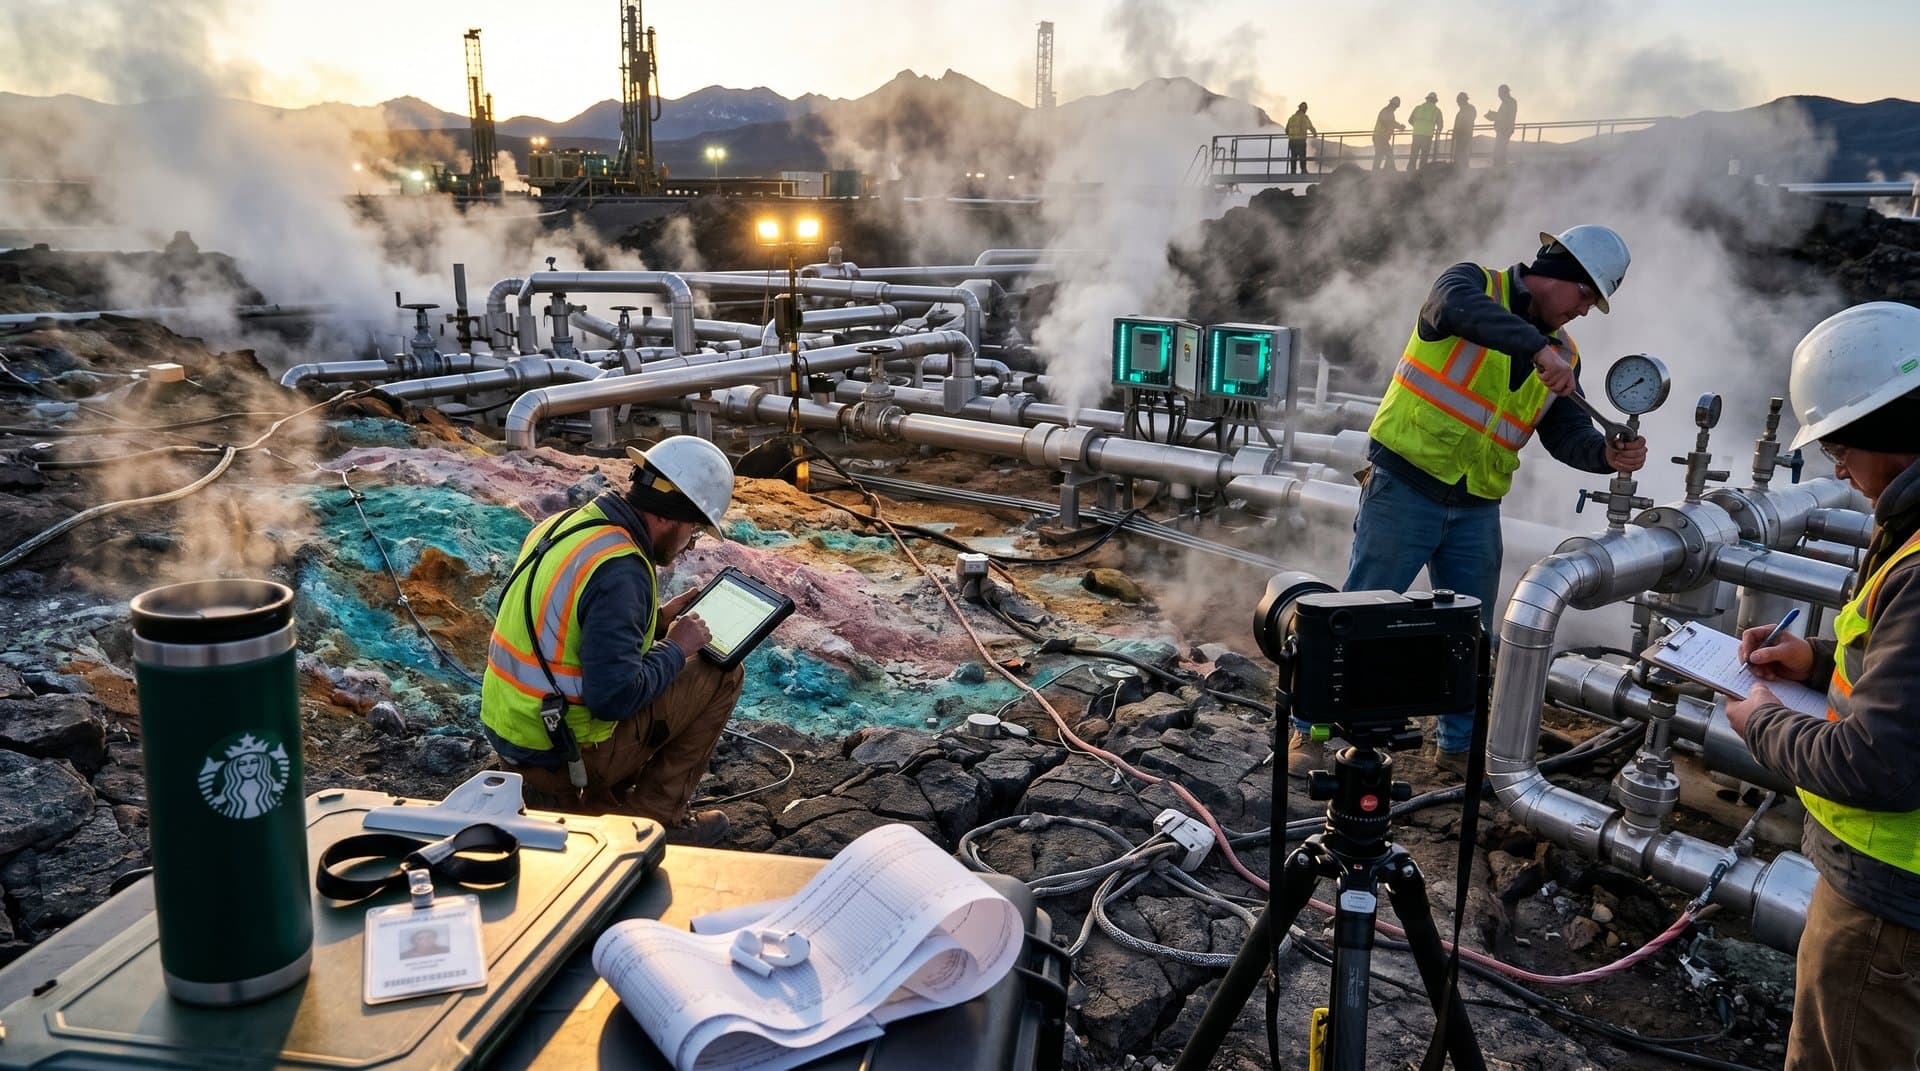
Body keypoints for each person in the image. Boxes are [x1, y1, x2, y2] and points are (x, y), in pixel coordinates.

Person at [1289, 226, 1643, 775]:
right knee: (1355, 615)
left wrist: (1604, 455)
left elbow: (1564, 431)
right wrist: (1532, 347)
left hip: (1478, 504)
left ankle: (1458, 747)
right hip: (1405, 486)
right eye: (1586, 295)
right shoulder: (1471, 285)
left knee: (1470, 635)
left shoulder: (1564, 356)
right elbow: (1455, 309)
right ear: (1560, 273)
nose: (1586, 310)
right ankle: (1309, 732)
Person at [1727, 301, 1920, 1071]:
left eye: (1840, 445)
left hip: (1887, 911)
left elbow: (1880, 762)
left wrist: (1762, 722)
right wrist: (1812, 657)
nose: (1838, 469)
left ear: (1891, 430)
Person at [480, 435, 746, 846]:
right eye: (693, 533)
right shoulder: (622, 570)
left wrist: (656, 624)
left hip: (520, 735)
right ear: (672, 517)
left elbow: (568, 632)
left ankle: (604, 796)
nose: (688, 547)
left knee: (685, 661)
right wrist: (676, 648)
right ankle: (659, 819)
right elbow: (614, 698)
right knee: (722, 672)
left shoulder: (567, 526)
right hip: (562, 755)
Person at [1408, 92, 1443, 171]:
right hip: (1427, 136)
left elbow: (1410, 120)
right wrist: (1438, 131)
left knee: (1413, 154)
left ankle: (1409, 173)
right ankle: (1421, 173)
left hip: (1416, 134)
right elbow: (1440, 125)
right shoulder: (1436, 110)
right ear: (1435, 101)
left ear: (1427, 99)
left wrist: (1417, 126)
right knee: (1424, 156)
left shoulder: (1418, 108)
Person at [1372, 96, 1406, 171]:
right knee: (1386, 154)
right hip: (1380, 137)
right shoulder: (1386, 111)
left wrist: (1399, 126)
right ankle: (1385, 170)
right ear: (1392, 105)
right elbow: (1388, 122)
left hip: (1380, 137)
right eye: (1396, 106)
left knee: (1381, 154)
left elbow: (1391, 123)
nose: (1396, 108)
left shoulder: (1388, 112)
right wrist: (1399, 127)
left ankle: (1380, 170)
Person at [1286, 102, 1318, 174]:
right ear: (1305, 109)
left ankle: (1293, 171)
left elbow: (1286, 130)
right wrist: (1315, 133)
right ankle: (1303, 171)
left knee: (1293, 157)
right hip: (1300, 140)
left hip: (1292, 141)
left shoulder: (1292, 118)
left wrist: (1291, 136)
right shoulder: (1304, 117)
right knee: (1302, 156)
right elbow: (1310, 126)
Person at [1490, 84, 1518, 166]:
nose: (1498, 96)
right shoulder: (1508, 102)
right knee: (1500, 151)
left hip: (1504, 130)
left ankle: (1500, 169)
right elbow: (1503, 115)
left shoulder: (1510, 102)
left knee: (1500, 151)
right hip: (1504, 129)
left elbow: (1504, 116)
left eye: (1499, 93)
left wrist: (1493, 116)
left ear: (1504, 93)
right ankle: (1500, 168)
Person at [1451, 92, 1477, 166]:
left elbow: (1469, 120)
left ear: (1463, 100)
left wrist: (1459, 129)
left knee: (1463, 153)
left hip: (1465, 135)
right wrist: (1455, 133)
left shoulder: (1470, 109)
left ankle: (1463, 169)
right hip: (1460, 135)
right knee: (1459, 153)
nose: (1458, 104)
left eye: (1459, 101)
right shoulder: (1461, 111)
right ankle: (1458, 169)